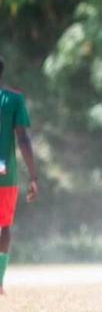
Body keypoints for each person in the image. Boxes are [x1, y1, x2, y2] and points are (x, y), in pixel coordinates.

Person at [0, 56, 39, 295]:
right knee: (4, 225)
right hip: (5, 173)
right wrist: (33, 176)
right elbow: (23, 139)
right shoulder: (13, 99)